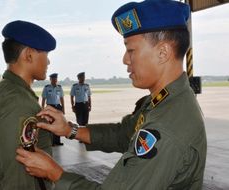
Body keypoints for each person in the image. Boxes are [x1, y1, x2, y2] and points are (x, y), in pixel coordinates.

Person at [15, 1, 207, 189]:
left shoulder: (167, 127)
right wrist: (69, 130)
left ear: (163, 52)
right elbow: (124, 134)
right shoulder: (165, 101)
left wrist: (55, 173)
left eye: (131, 50)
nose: (125, 59)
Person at [0, 20, 56, 189]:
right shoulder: (18, 103)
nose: (48, 62)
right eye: (45, 54)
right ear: (29, 54)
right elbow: (19, 178)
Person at [41, 73, 64, 146]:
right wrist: (42, 108)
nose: (55, 80)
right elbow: (43, 98)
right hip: (50, 107)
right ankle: (52, 142)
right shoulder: (47, 87)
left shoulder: (59, 88)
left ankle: (57, 141)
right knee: (51, 124)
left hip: (58, 107)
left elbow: (61, 98)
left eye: (56, 79)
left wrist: (63, 108)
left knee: (59, 123)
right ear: (50, 79)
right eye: (53, 79)